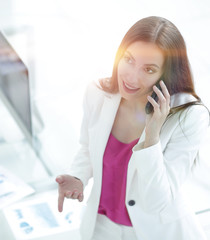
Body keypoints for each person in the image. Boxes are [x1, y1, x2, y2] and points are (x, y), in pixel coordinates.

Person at [56, 16, 210, 240]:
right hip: (101, 226)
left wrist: (153, 136)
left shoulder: (188, 116)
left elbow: (158, 202)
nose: (131, 76)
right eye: (128, 59)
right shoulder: (98, 93)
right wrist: (78, 177)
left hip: (157, 232)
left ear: (165, 74)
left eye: (148, 70)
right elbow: (88, 147)